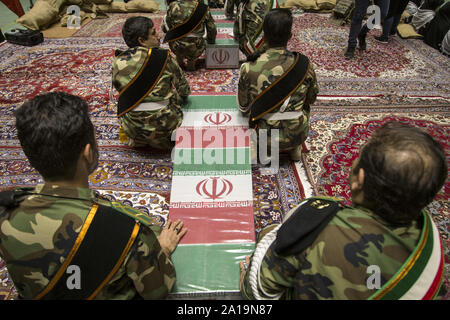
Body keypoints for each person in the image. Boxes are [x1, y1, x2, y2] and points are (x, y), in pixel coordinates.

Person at [0, 92, 187, 299]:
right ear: (88, 153)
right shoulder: (127, 231)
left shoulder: (6, 210)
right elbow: (158, 290)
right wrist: (162, 249)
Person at [239, 121, 447, 300]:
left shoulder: (315, 225)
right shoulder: (430, 244)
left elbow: (259, 291)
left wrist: (246, 276)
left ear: (359, 180)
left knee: (271, 234)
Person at [237, 9, 319, 161]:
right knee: (303, 104)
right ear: (290, 36)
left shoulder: (249, 67)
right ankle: (294, 147)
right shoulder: (304, 65)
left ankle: (268, 150)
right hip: (296, 133)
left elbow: (244, 106)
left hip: (265, 136)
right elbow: (311, 99)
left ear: (264, 36)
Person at [112, 16, 190, 150]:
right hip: (165, 126)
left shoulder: (118, 62)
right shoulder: (164, 57)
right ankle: (162, 140)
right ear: (141, 41)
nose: (159, 36)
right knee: (175, 98)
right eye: (154, 33)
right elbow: (183, 88)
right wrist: (182, 99)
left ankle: (139, 139)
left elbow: (122, 93)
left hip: (133, 128)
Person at [162, 0, 217, 71]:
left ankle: (179, 60)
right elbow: (212, 28)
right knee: (194, 47)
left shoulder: (172, 5)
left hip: (175, 46)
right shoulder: (203, 8)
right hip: (196, 47)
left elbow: (165, 28)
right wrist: (211, 41)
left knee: (178, 42)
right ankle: (191, 63)